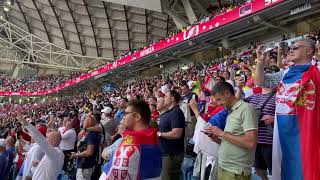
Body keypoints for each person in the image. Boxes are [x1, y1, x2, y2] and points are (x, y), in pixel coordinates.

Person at [254, 39, 320, 180]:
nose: (290, 50)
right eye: (290, 47)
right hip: (282, 132)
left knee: (306, 168)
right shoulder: (284, 73)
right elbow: (260, 81)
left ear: (308, 51)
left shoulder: (317, 73)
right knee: (286, 169)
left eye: (295, 47)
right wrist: (260, 63)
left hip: (305, 131)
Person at [205, 82, 258, 180]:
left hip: (236, 171)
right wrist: (217, 139)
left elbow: (251, 142)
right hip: (224, 167)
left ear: (227, 93)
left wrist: (222, 133)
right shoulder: (231, 111)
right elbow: (232, 139)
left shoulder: (246, 109)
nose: (219, 103)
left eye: (219, 99)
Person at [100, 100, 162, 179]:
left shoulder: (132, 145)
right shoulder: (153, 141)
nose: (124, 116)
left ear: (137, 117)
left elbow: (111, 175)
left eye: (126, 114)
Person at [236, 77, 276, 180]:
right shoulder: (254, 96)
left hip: (271, 142)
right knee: (259, 171)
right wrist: (239, 88)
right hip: (255, 141)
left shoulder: (279, 96)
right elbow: (236, 104)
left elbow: (290, 115)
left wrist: (275, 119)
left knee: (276, 171)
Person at [19, 116, 64, 180]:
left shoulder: (56, 153)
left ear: (53, 140)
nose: (46, 139)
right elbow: (43, 171)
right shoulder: (53, 154)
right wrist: (35, 166)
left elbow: (40, 139)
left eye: (47, 138)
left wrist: (27, 124)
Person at [158, 90, 185, 180]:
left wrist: (160, 134)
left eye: (166, 96)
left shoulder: (176, 112)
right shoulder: (170, 112)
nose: (164, 98)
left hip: (172, 155)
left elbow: (176, 134)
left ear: (172, 99)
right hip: (167, 154)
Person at [70, 113, 101, 180]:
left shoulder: (91, 135)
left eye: (85, 120)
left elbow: (89, 152)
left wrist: (76, 155)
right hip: (83, 165)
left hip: (85, 166)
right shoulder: (88, 133)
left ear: (89, 123)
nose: (83, 122)